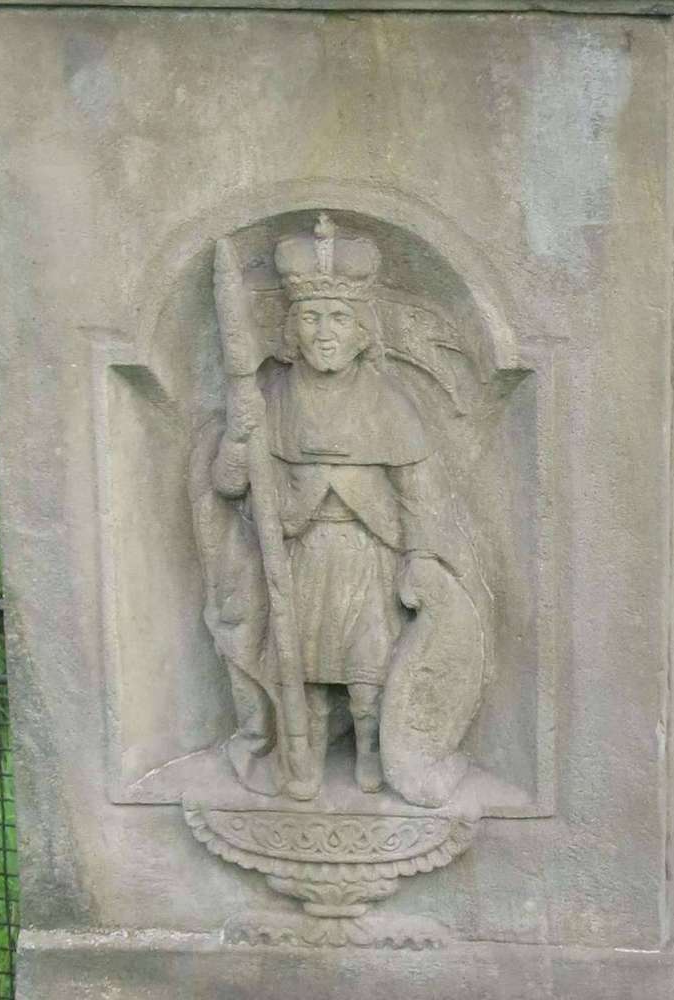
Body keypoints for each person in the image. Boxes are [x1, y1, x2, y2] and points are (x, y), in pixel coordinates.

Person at [210, 215, 442, 799]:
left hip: (367, 552)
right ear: (293, 329)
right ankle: (303, 752)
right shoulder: (271, 397)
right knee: (305, 671)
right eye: (311, 318)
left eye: (338, 317)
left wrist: (420, 557)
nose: (325, 332)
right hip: (300, 553)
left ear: (362, 330)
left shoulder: (389, 402)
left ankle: (370, 750)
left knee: (368, 671)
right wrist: (238, 436)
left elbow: (417, 494)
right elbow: (228, 485)